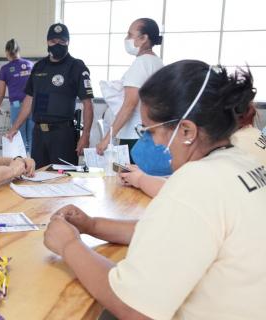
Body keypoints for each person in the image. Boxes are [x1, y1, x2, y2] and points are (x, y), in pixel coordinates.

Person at [44, 60, 266, 319]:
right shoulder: (240, 161)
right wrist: (92, 225)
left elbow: (135, 309)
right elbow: (168, 231)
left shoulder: (198, 181)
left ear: (186, 130)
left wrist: (69, 245)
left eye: (150, 130)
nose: (151, 140)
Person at [121, 103, 266, 197]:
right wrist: (146, 176)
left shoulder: (232, 147)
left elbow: (180, 193)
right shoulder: (252, 135)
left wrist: (140, 179)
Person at [5, 23, 94, 168]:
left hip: (63, 134)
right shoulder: (39, 67)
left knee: (64, 179)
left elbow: (88, 103)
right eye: (53, 41)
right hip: (39, 134)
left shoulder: (76, 67)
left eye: (62, 41)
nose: (57, 45)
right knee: (38, 175)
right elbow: (29, 100)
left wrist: (86, 135)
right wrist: (15, 127)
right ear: (47, 42)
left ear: (68, 42)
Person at [96, 18, 163, 161]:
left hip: (134, 136)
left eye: (130, 35)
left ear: (144, 38)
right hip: (149, 134)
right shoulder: (157, 62)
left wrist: (107, 138)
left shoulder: (141, 64)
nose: (126, 39)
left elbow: (129, 105)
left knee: (128, 180)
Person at [0, 39, 34, 153]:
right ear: (18, 51)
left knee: (19, 138)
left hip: (17, 107)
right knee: (32, 139)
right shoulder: (30, 65)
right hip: (32, 105)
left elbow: (1, 93)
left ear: (7, 52)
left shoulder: (5, 69)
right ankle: (33, 165)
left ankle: (22, 167)